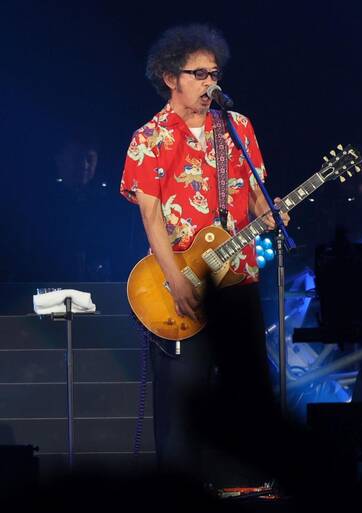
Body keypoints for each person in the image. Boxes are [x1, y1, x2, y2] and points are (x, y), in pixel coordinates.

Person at [119, 24, 288, 484]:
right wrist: (175, 280)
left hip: (238, 277)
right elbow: (151, 217)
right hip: (183, 283)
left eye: (214, 74)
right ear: (170, 77)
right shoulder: (149, 138)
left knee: (243, 389)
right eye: (199, 74)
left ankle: (245, 485)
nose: (209, 83)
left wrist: (270, 213)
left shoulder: (237, 127)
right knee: (182, 395)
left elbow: (255, 194)